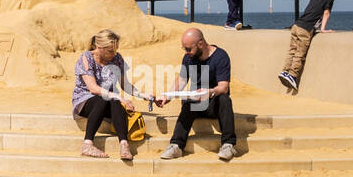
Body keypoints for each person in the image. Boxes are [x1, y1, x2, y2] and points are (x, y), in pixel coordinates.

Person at [71, 30, 155, 161]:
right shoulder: (86, 58)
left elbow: (125, 84)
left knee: (113, 100)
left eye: (115, 50)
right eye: (110, 51)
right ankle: (87, 144)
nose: (114, 54)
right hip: (85, 100)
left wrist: (142, 95)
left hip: (109, 100)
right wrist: (119, 97)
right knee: (108, 98)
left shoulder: (117, 58)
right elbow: (93, 88)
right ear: (99, 48)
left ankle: (123, 144)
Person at [157, 27, 237, 160]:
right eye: (184, 49)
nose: (187, 52)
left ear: (200, 44)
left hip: (213, 103)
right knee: (188, 102)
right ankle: (176, 145)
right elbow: (182, 80)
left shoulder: (220, 56)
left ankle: (228, 144)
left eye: (188, 49)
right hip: (196, 103)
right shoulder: (188, 58)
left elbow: (224, 87)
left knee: (224, 99)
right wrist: (168, 96)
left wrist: (210, 91)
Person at [278, 0, 338, 93]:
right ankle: (292, 75)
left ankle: (285, 71)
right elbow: (326, 13)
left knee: (292, 50)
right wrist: (323, 29)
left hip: (296, 25)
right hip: (305, 29)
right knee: (300, 53)